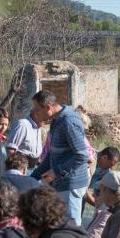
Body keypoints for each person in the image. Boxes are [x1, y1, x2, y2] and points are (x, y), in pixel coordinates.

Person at [30, 90, 90, 226]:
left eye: (37, 109)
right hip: (60, 183)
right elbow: (53, 154)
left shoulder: (69, 122)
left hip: (71, 184)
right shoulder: (57, 120)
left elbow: (82, 155)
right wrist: (33, 177)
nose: (35, 112)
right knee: (59, 225)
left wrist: (56, 171)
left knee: (71, 227)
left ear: (48, 108)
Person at [83, 146, 120, 238]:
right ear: (104, 157)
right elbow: (82, 188)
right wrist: (98, 204)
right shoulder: (89, 160)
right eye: (110, 164)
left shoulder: (106, 171)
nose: (111, 168)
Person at [5, 105, 45, 169]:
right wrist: (16, 170)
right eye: (44, 117)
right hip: (21, 169)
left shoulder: (38, 127)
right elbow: (10, 149)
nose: (47, 120)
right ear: (36, 114)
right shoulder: (22, 125)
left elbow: (35, 152)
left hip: (33, 168)